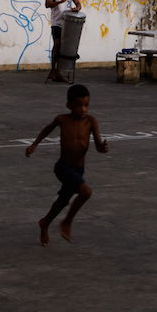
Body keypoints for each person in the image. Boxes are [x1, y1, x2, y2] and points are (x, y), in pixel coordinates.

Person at [25, 83, 108, 245]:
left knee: (63, 201)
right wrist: (34, 145)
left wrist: (103, 148)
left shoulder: (91, 121)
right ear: (69, 105)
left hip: (79, 169)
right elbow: (46, 130)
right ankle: (67, 221)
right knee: (86, 192)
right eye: (78, 105)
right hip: (63, 167)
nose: (83, 109)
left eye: (86, 105)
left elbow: (98, 146)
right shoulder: (62, 119)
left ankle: (45, 222)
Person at [45, 0, 82, 82]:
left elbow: (78, 4)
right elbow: (47, 4)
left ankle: (60, 72)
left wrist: (77, 8)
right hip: (57, 23)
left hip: (69, 23)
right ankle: (53, 69)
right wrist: (60, 2)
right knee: (57, 45)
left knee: (65, 48)